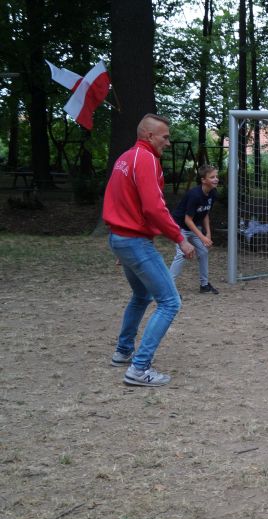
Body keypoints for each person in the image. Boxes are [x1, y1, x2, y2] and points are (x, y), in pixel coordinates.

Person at [102, 113, 196, 387]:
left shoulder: (125, 157)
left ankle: (123, 352)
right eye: (165, 137)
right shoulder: (145, 159)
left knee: (142, 295)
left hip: (122, 239)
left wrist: (121, 242)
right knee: (170, 302)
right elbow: (154, 208)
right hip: (132, 241)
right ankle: (139, 368)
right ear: (149, 135)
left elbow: (118, 200)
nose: (168, 142)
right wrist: (180, 239)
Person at [169, 164, 220, 294]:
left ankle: (204, 285)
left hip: (193, 226)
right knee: (182, 254)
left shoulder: (213, 193)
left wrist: (208, 234)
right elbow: (187, 220)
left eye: (216, 176)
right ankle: (168, 288)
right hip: (180, 226)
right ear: (203, 180)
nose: (216, 179)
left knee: (203, 251)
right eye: (212, 177)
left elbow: (205, 213)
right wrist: (202, 237)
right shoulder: (195, 195)